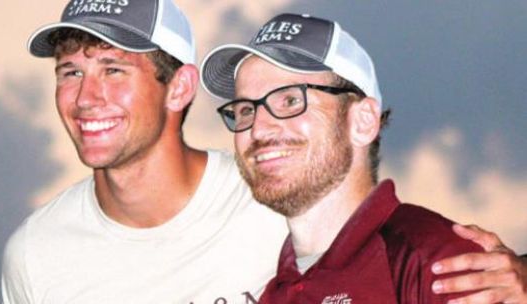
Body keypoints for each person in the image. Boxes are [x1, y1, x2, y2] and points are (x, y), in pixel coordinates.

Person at [2, 1, 526, 303]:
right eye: (70, 72)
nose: (86, 97)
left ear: (180, 88)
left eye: (113, 69)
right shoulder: (33, 253)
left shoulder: (281, 195)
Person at [200, 13, 527, 303]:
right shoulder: (274, 292)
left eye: (289, 100)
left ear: (363, 121)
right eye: (244, 110)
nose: (258, 128)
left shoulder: (438, 265)